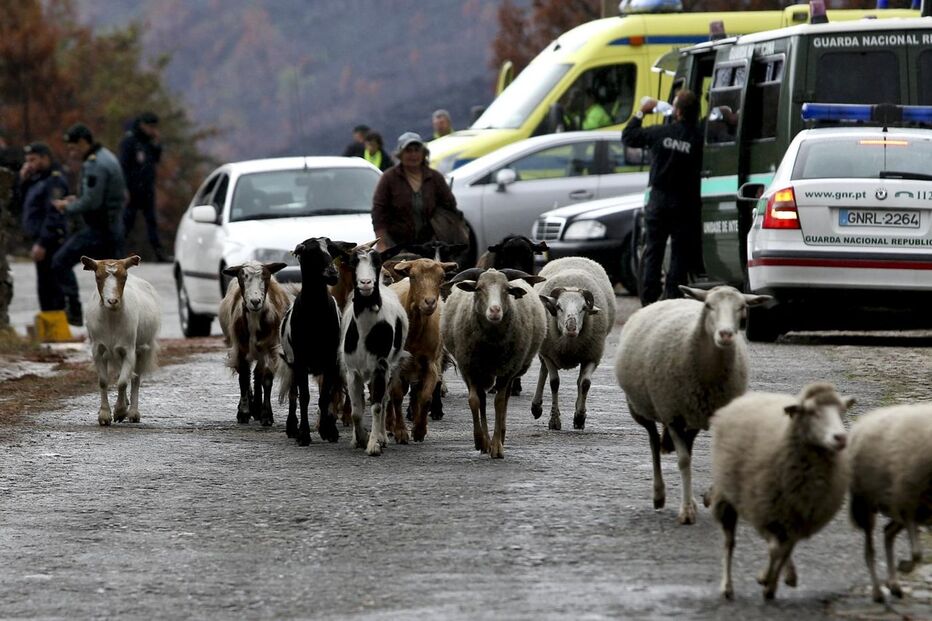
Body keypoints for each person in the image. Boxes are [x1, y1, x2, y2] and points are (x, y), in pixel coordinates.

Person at [622, 89, 703, 306]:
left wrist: (642, 111)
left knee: (653, 252)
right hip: (684, 203)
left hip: (658, 202)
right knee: (679, 253)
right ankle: (673, 299)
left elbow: (628, 136)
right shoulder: (698, 137)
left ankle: (649, 302)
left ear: (676, 111)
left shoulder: (660, 133)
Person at [51, 123, 128, 326]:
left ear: (83, 142)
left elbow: (92, 202)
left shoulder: (96, 164)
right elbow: (95, 195)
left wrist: (66, 207)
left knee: (60, 262)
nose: (71, 151)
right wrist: (75, 199)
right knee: (113, 278)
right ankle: (116, 323)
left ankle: (74, 311)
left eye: (73, 146)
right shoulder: (104, 156)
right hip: (111, 227)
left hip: (101, 229)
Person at [371, 132, 457, 251]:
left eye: (417, 150)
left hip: (430, 246)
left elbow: (450, 206)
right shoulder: (389, 178)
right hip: (397, 247)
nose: (413, 154)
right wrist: (381, 242)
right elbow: (378, 211)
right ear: (400, 154)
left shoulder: (435, 178)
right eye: (408, 151)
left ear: (423, 154)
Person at [19, 142, 69, 312]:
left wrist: (42, 242)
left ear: (45, 158)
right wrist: (23, 181)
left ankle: (57, 321)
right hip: (39, 237)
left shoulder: (54, 180)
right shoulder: (36, 180)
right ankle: (49, 321)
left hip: (51, 239)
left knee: (52, 285)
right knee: (44, 284)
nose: (29, 164)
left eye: (33, 160)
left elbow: (54, 214)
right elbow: (20, 204)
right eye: (27, 160)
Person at [120, 111, 170, 262]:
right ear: (142, 125)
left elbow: (156, 159)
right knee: (127, 223)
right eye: (150, 127)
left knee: (151, 222)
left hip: (147, 189)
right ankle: (116, 251)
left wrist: (157, 142)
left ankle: (159, 253)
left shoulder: (149, 142)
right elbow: (123, 166)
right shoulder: (130, 141)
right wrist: (124, 188)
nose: (152, 130)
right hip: (132, 189)